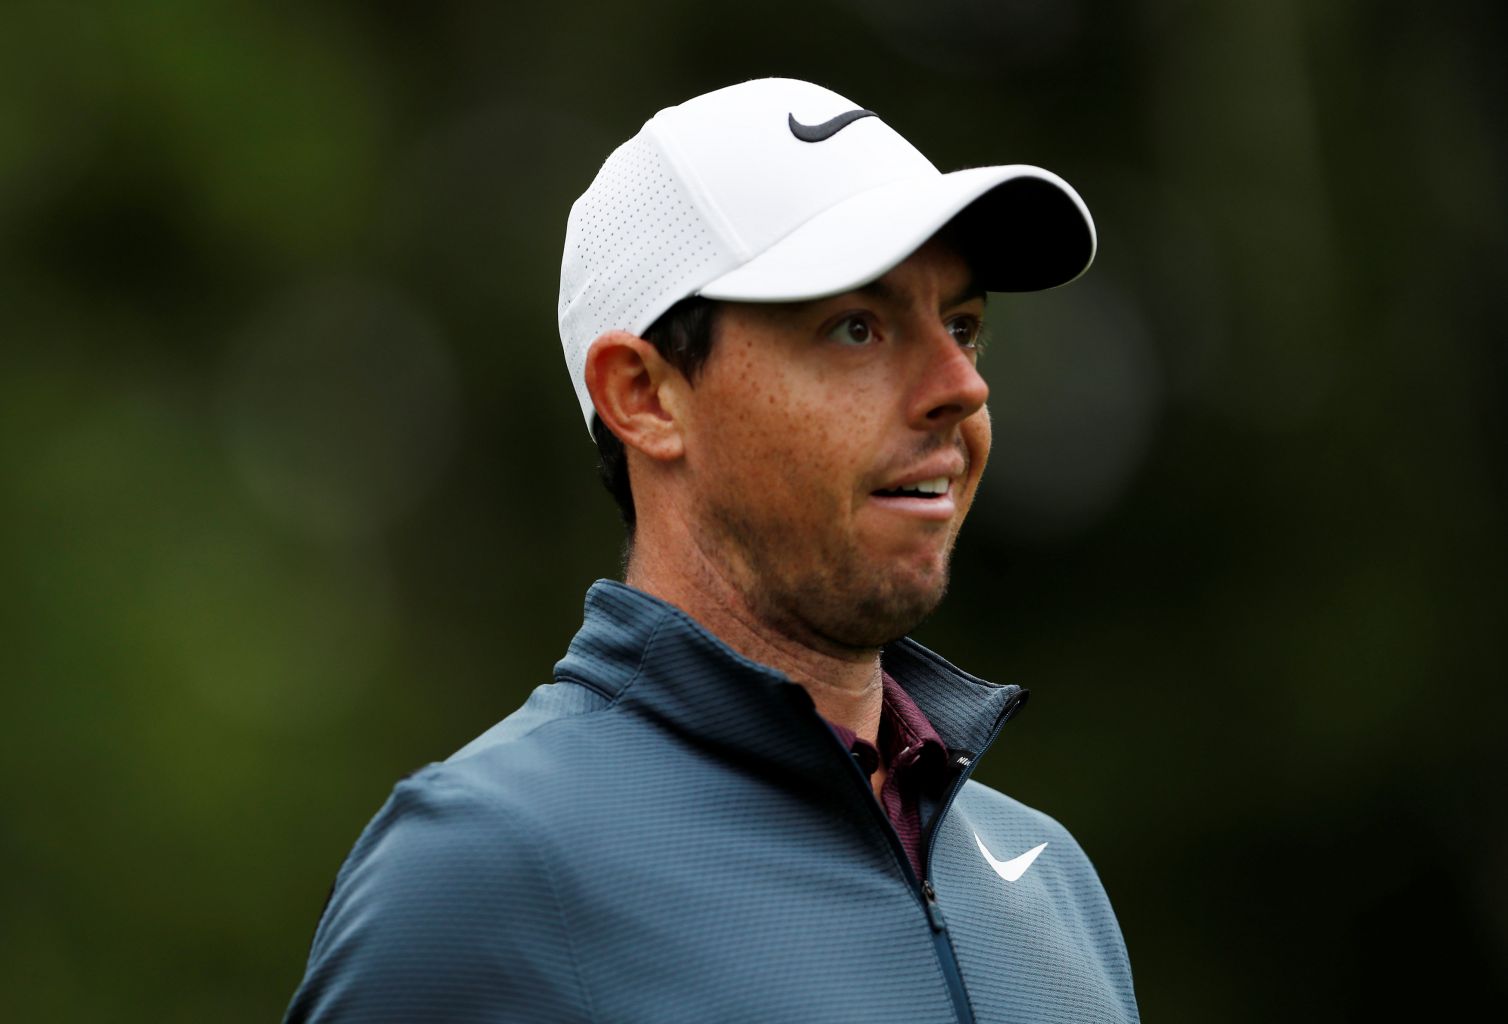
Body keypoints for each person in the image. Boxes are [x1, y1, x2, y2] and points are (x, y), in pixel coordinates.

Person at [285, 77, 1139, 1023]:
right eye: (856, 328)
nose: (961, 388)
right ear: (644, 396)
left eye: (964, 328)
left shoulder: (1054, 885)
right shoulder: (483, 872)